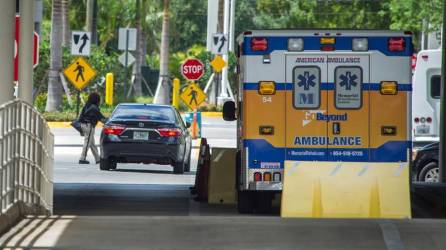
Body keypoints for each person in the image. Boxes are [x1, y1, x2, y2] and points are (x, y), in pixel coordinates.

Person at [78, 92, 106, 164]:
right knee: (87, 142)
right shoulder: (94, 108)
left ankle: (98, 159)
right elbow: (101, 118)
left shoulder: (86, 106)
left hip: (83, 125)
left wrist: (81, 130)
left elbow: (80, 117)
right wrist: (109, 123)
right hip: (89, 126)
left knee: (92, 143)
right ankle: (82, 158)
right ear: (96, 100)